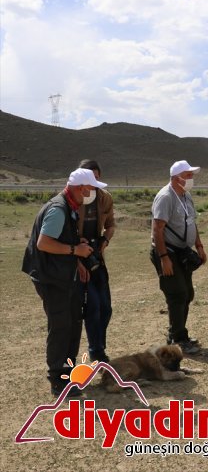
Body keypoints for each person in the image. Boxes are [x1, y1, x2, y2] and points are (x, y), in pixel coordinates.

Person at [22, 168, 105, 397]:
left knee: (73, 323)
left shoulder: (69, 206)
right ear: (81, 188)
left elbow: (60, 241)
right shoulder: (59, 209)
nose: (94, 193)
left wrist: (76, 260)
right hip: (51, 278)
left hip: (63, 275)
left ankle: (68, 374)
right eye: (92, 188)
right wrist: (74, 249)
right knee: (60, 326)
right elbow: (44, 243)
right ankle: (58, 380)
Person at [150, 160, 207, 355]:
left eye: (192, 175)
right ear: (176, 178)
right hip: (168, 251)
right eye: (188, 175)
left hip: (182, 252)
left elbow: (192, 222)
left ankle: (176, 332)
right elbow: (158, 229)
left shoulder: (186, 195)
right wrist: (164, 257)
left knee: (187, 294)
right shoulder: (166, 197)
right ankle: (178, 338)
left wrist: (198, 245)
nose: (191, 179)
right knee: (178, 294)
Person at [76, 159, 116, 363]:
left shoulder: (104, 197)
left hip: (97, 258)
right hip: (77, 258)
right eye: (90, 177)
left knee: (106, 308)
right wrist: (77, 256)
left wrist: (105, 240)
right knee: (93, 306)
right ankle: (96, 351)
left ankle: (99, 346)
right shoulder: (73, 199)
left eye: (97, 177)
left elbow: (110, 225)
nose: (94, 182)